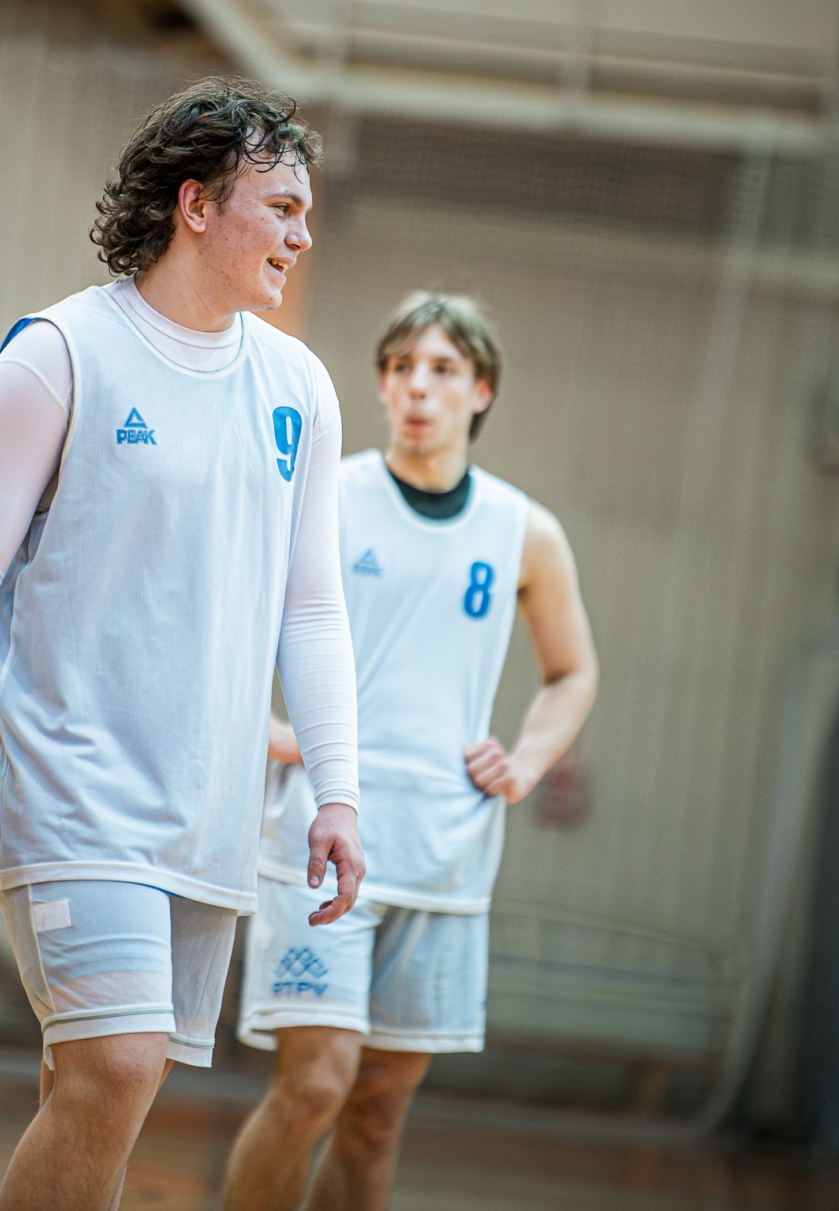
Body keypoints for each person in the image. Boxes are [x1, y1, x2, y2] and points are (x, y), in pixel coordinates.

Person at [0, 77, 366, 1211]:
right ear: (196, 205)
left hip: (206, 807)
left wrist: (338, 791)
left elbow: (312, 609)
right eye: (280, 207)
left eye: (307, 212)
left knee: (99, 1094)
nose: (302, 234)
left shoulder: (301, 389)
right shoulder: (60, 352)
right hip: (71, 783)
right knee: (116, 1070)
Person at [223, 293, 599, 1211]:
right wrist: (259, 727)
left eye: (442, 370)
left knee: (379, 1110)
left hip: (444, 851)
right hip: (322, 834)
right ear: (382, 387)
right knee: (314, 1088)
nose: (418, 388)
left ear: (482, 390)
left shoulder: (524, 531)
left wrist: (527, 760)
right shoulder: (328, 495)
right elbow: (221, 621)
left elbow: (573, 672)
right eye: (400, 369)